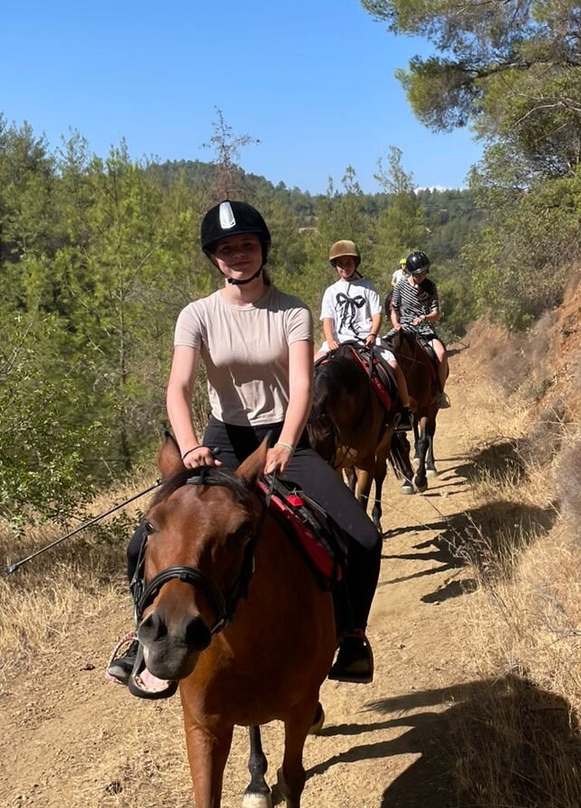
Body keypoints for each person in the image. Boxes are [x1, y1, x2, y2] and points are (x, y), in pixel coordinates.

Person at [108, 200, 380, 687]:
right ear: (214, 256)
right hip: (219, 438)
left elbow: (301, 387)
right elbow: (178, 388)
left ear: (262, 249)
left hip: (284, 437)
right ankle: (141, 639)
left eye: (247, 245)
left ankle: (350, 635)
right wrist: (190, 446)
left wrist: (286, 443)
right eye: (227, 247)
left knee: (363, 537)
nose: (238, 254)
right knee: (140, 542)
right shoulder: (197, 315)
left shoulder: (292, 311)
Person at [316, 240, 413, 427]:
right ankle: (309, 418)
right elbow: (327, 320)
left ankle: (404, 408)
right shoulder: (330, 292)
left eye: (348, 262)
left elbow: (376, 314)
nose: (344, 267)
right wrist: (330, 340)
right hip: (338, 340)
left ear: (355, 263)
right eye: (340, 263)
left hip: (365, 339)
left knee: (393, 365)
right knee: (310, 369)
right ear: (335, 266)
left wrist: (372, 334)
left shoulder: (367, 286)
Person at [390, 250, 450, 407]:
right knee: (384, 353)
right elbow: (394, 309)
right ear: (411, 272)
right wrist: (396, 324)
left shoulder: (430, 287)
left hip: (425, 330)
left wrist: (425, 317)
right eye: (419, 273)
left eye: (424, 272)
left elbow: (436, 313)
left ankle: (440, 393)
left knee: (442, 354)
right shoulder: (400, 286)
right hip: (403, 328)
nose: (422, 275)